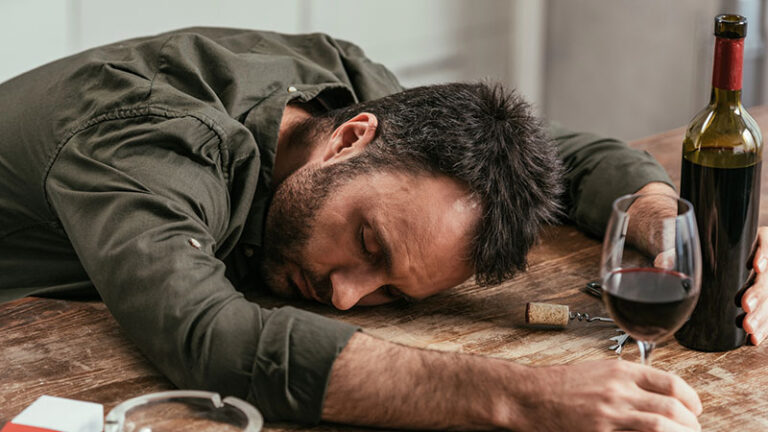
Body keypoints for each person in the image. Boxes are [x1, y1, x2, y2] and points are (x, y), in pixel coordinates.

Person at [1, 27, 767, 431]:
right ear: (347, 139)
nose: (342, 296)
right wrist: (527, 397)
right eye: (369, 246)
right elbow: (214, 339)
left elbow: (573, 153)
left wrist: (674, 233)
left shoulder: (370, 100)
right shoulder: (148, 141)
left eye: (389, 292)